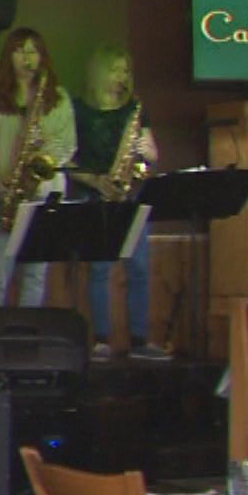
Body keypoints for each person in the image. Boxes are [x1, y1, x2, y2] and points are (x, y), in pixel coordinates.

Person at [69, 44, 167, 361]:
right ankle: (100, 340)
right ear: (99, 72)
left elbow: (152, 155)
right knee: (99, 269)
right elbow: (67, 160)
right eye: (114, 70)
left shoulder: (134, 108)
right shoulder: (78, 109)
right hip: (93, 194)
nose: (121, 77)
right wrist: (96, 181)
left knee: (138, 268)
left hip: (130, 195)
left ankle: (139, 340)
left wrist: (147, 152)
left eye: (125, 71)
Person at [0, 28, 76, 308]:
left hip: (42, 195)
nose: (27, 58)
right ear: (9, 57)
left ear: (42, 57)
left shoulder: (58, 100)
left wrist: (42, 156)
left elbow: (67, 144)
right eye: (20, 51)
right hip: (2, 196)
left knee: (35, 276)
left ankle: (27, 333)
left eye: (33, 51)